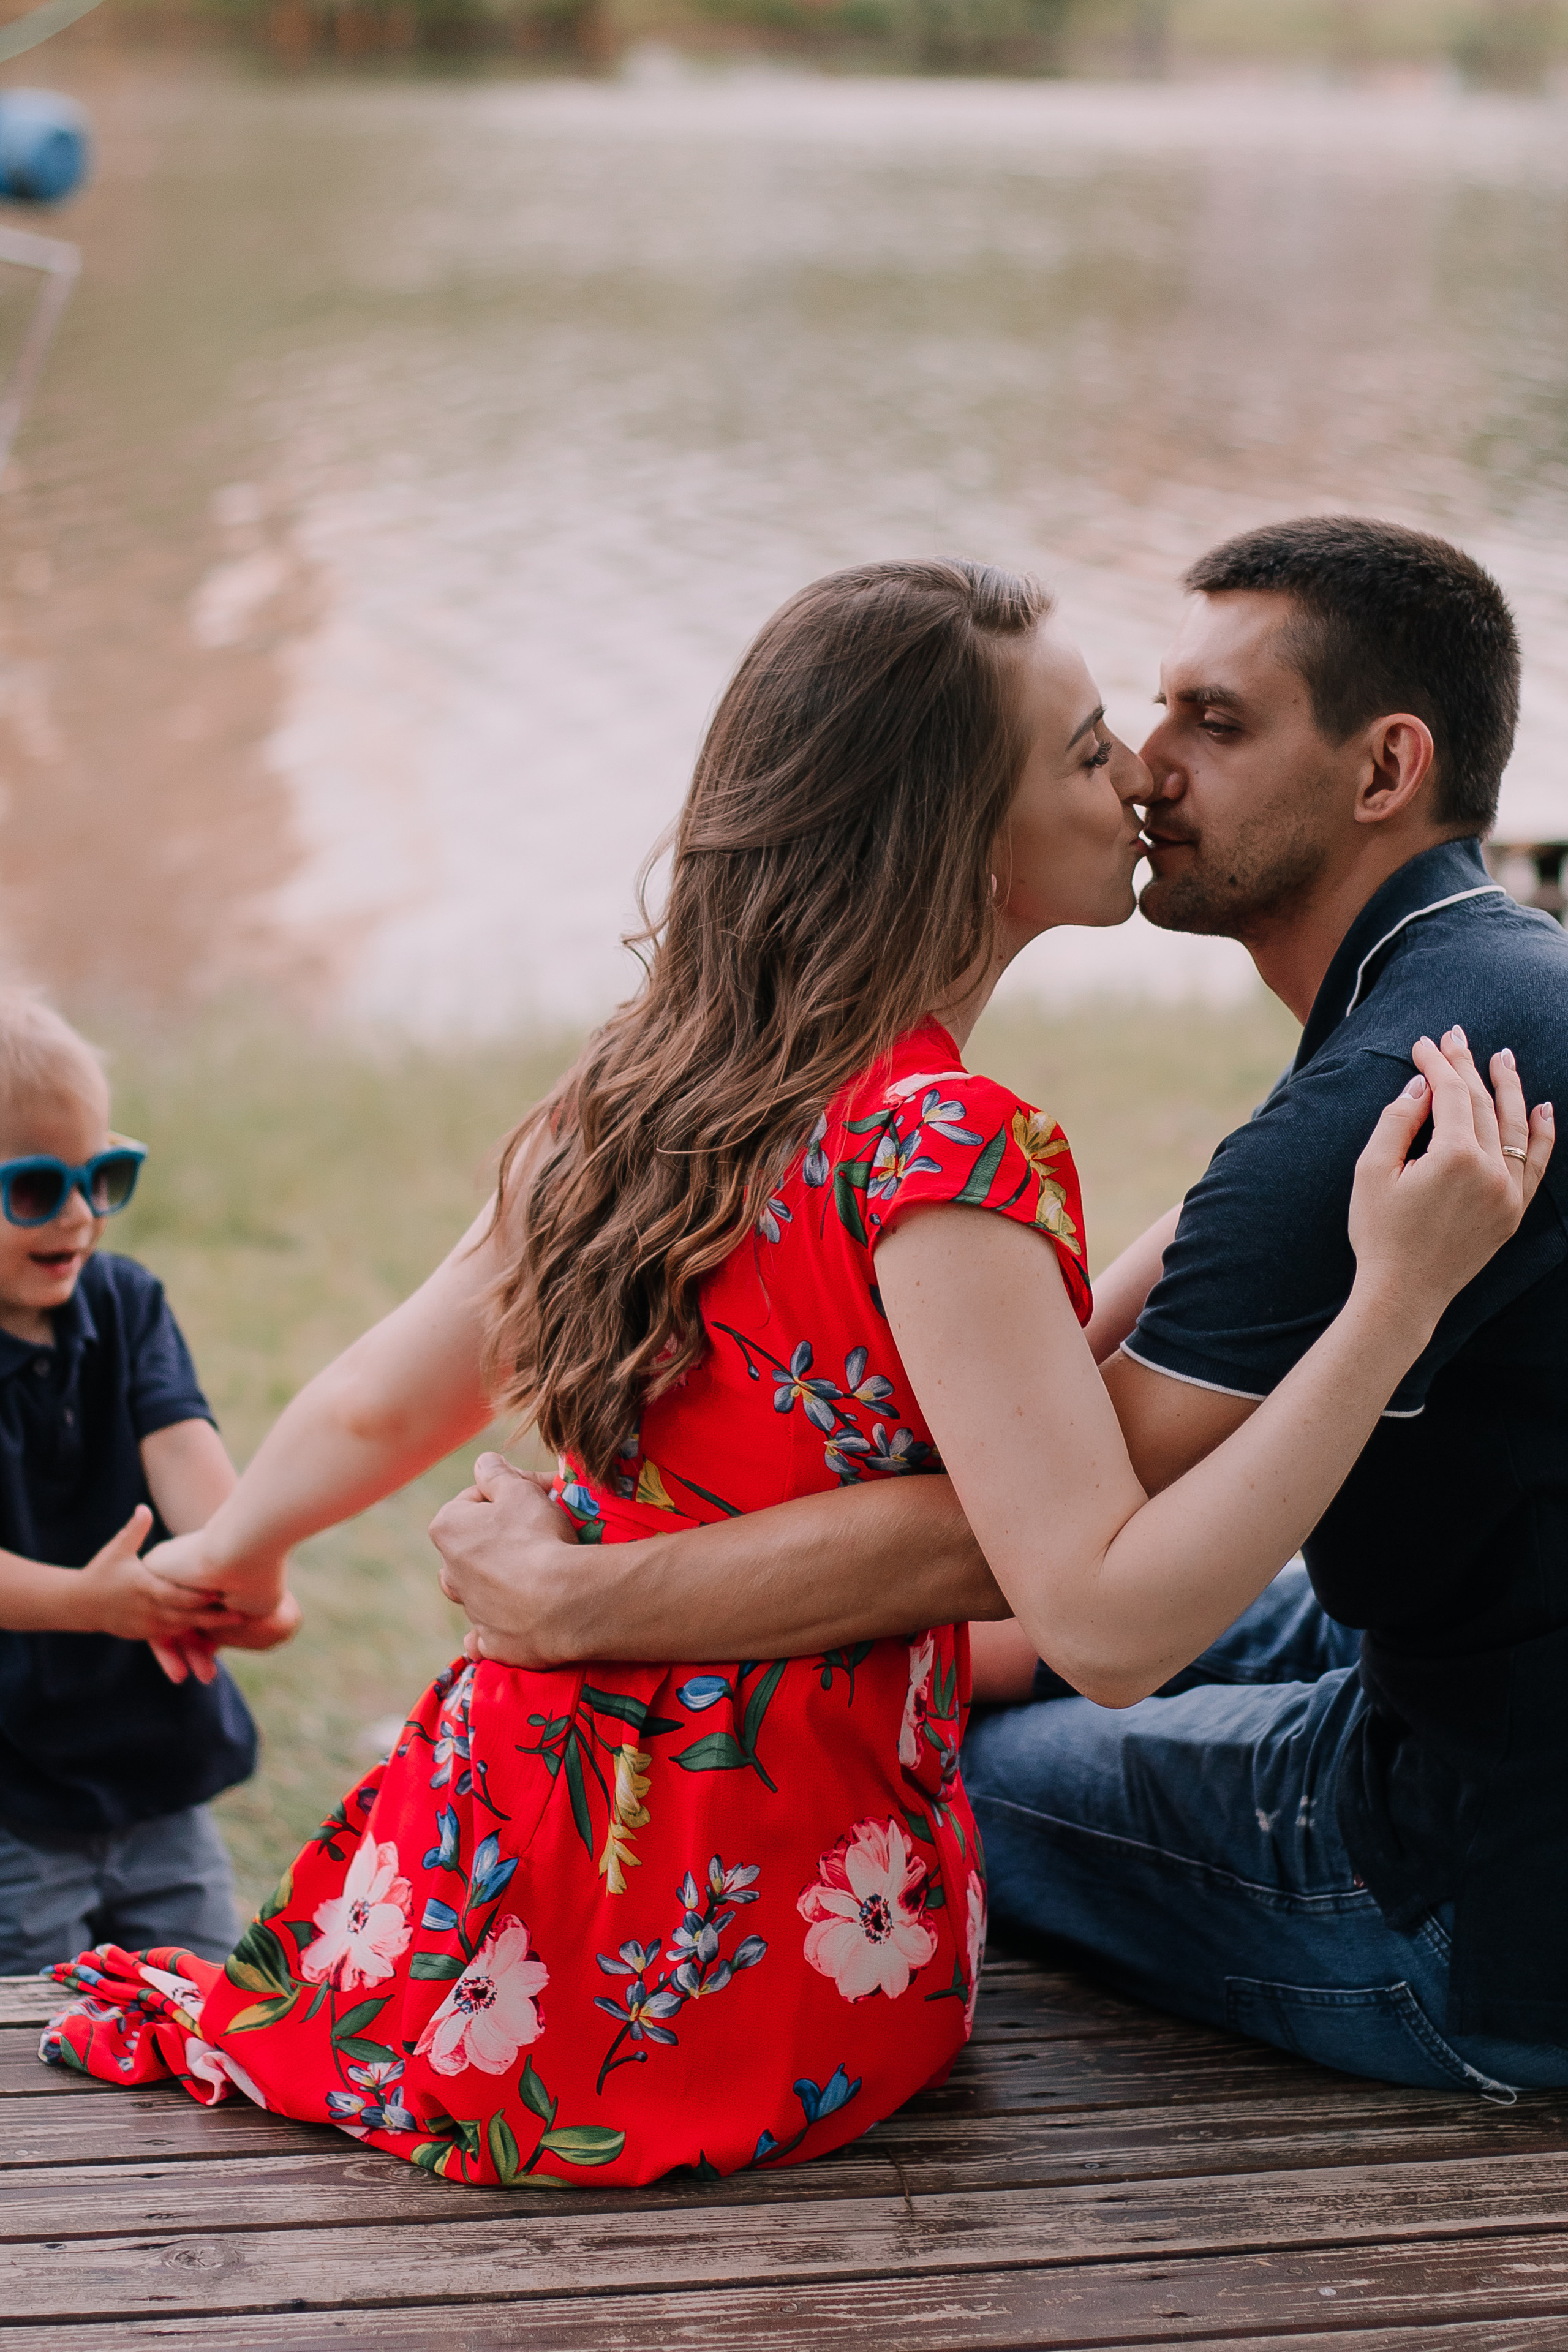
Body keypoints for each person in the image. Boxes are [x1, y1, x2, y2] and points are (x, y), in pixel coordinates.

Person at [42, 558, 1541, 2184]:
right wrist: (1392, 1298)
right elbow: (1093, 1584)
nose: (1134, 772)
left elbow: (375, 1403)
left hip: (517, 1880)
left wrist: (228, 1551)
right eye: (1084, 750)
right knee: (1017, 1757)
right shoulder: (948, 1146)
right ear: (962, 839)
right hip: (763, 1946)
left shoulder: (648, 1090)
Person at [435, 517, 1568, 2096]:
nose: (1148, 772)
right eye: (1126, 727)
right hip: (1476, 1667)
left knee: (976, 1751)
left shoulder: (1391, 1094)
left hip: (1486, 1919)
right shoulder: (1508, 978)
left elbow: (1074, 1566)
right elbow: (1055, 1488)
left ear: (1383, 771)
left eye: (1208, 724)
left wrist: (584, 1606)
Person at [0, 991, 296, 1973]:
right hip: (16, 1802)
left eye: (103, 1175)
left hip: (155, 1773)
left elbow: (182, 1446)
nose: (82, 1214)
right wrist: (85, 1602)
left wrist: (239, 1572)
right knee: (31, 2062)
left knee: (205, 2013)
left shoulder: (127, 1305)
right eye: (37, 1190)